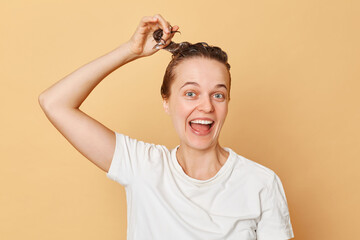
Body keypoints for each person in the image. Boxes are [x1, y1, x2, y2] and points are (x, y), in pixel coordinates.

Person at [39, 14, 294, 240]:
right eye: (191, 93)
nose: (206, 106)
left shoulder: (261, 183)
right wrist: (130, 50)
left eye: (218, 95)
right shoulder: (142, 167)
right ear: (167, 102)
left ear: (227, 102)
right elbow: (54, 102)